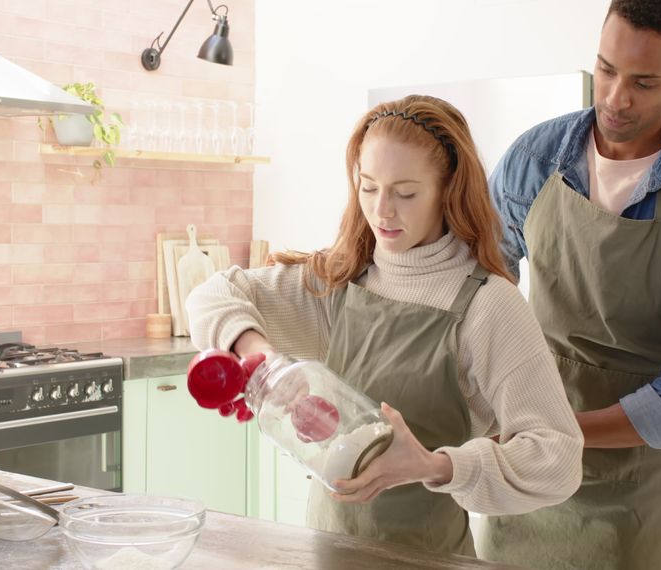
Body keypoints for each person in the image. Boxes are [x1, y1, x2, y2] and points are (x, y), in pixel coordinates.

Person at [186, 95, 583, 556]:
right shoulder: (343, 281)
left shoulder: (488, 304)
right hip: (328, 551)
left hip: (427, 558)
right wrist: (268, 364)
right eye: (368, 187)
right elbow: (212, 294)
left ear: (448, 189)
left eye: (406, 192)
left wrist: (436, 467)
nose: (382, 211)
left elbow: (557, 457)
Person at [477, 1, 661, 569]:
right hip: (526, 461)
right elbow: (477, 291)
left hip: (637, 481)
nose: (615, 98)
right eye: (606, 69)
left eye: (643, 82)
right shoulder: (534, 160)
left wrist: (560, 431)